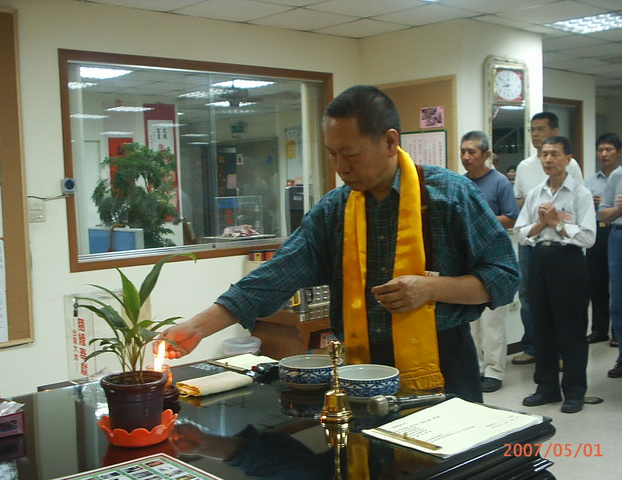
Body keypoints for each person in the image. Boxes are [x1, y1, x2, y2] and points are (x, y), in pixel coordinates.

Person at [160, 85, 519, 403]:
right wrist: (196, 327)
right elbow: (274, 276)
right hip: (361, 365)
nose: (340, 167)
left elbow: (504, 276)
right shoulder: (335, 209)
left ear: (390, 142)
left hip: (443, 360)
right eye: (332, 154)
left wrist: (431, 288)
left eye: (350, 153)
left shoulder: (450, 195)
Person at [514, 136, 595, 413]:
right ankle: (546, 388)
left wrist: (557, 224)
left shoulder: (580, 194)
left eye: (555, 154)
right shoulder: (536, 193)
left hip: (568, 261)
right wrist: (541, 224)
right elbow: (521, 233)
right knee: (542, 327)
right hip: (540, 259)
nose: (548, 159)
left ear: (569, 159)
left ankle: (574, 391)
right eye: (544, 155)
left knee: (571, 329)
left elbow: (588, 237)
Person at [512, 112, 584, 365]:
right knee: (528, 296)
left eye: (541, 129)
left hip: (560, 243)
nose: (535, 134)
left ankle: (562, 352)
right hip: (532, 241)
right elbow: (519, 201)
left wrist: (556, 220)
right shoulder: (524, 166)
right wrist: (537, 214)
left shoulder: (570, 165)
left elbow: (576, 201)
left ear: (554, 131)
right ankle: (533, 348)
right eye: (532, 129)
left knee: (560, 300)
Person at [461, 131, 519, 393]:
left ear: (485, 154)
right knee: (470, 321)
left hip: (493, 260)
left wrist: (480, 221)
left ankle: (495, 371)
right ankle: (476, 367)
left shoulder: (500, 182)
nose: (466, 157)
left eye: (472, 152)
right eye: (463, 151)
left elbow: (511, 217)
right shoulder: (461, 183)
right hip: (467, 261)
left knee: (492, 322)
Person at [585, 133, 622, 345]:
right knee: (596, 282)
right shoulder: (591, 181)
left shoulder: (620, 176)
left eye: (609, 149)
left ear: (618, 152)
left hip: (616, 231)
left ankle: (618, 333)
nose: (604, 154)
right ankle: (600, 329)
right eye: (600, 150)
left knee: (617, 284)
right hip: (598, 231)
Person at [599, 151, 622, 378]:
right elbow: (603, 214)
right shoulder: (617, 175)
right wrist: (618, 209)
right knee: (618, 302)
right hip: (618, 237)